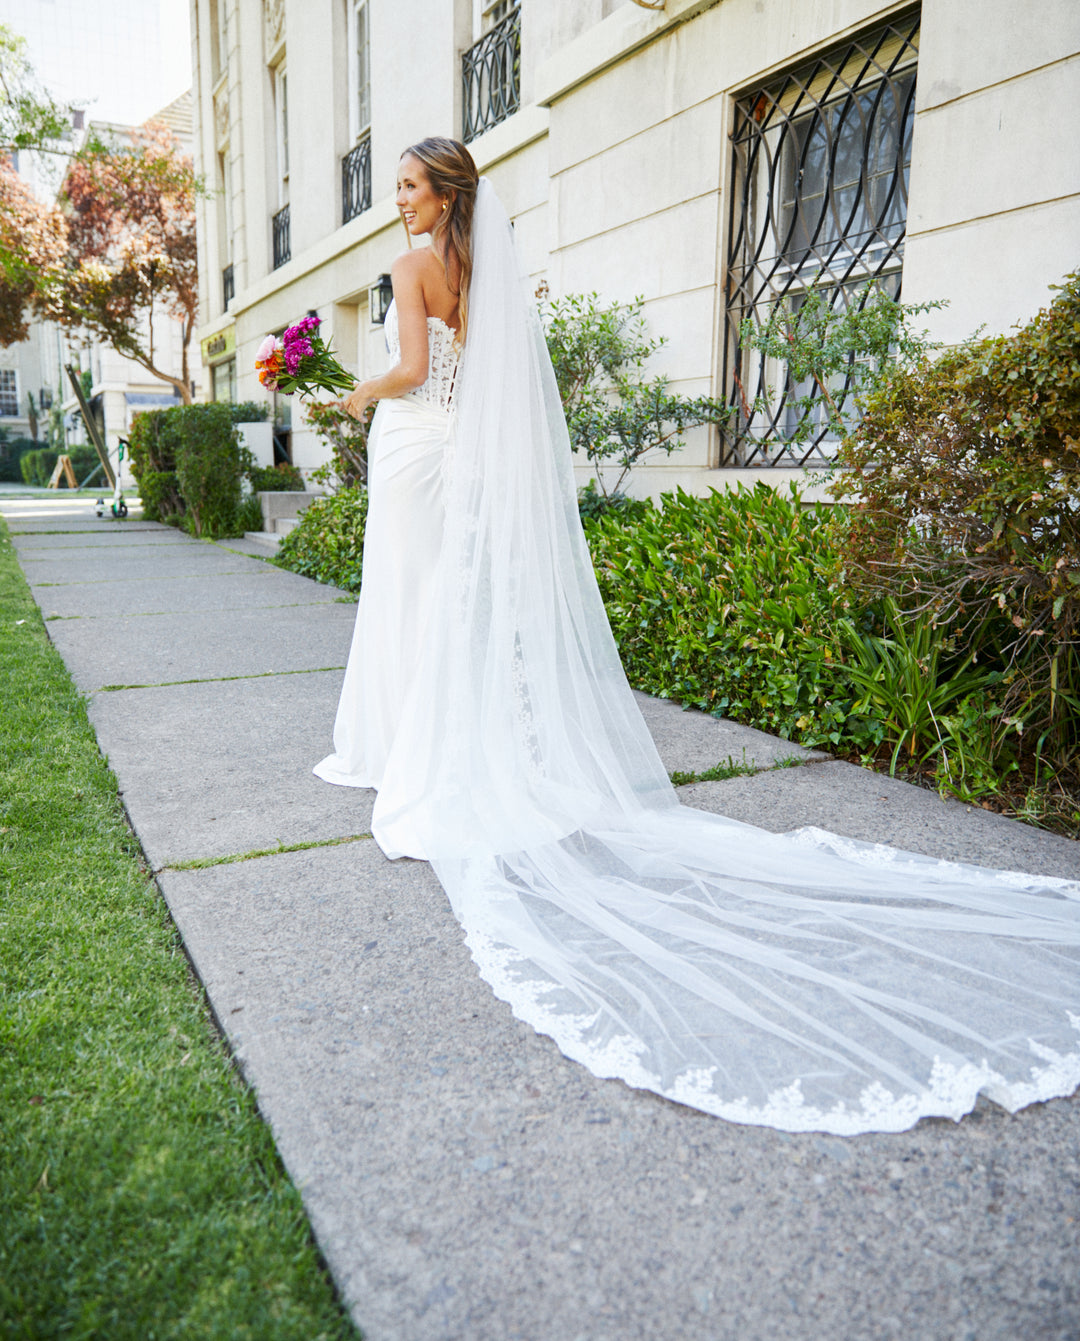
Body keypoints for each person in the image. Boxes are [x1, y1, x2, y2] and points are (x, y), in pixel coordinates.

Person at [316, 137, 1080, 1136]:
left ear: (445, 192)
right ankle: (450, 744)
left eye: (412, 187)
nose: (400, 203)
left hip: (420, 450)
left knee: (414, 603)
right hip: (459, 459)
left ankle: (415, 754)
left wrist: (358, 392)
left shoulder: (414, 269)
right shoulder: (484, 270)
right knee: (451, 609)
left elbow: (414, 369)